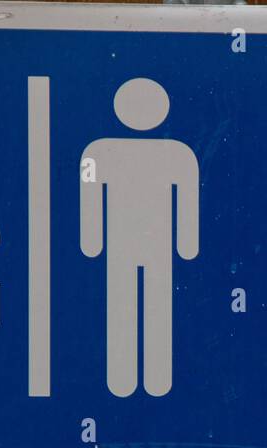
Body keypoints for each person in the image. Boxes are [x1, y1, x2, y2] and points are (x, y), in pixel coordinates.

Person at [80, 78, 200, 398]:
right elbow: (89, 192)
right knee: (129, 305)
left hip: (144, 242)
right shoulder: (99, 153)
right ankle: (125, 380)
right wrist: (187, 245)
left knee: (147, 305)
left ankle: (152, 379)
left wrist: (91, 242)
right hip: (132, 242)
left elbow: (187, 201)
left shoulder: (175, 154)